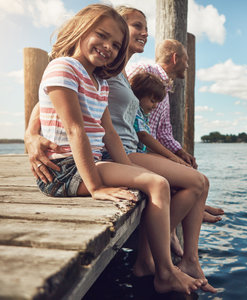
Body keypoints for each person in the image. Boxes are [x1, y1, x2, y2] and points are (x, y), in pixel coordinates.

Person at [25, 5, 217, 293]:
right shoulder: (63, 67)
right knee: (156, 183)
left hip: (90, 162)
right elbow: (75, 129)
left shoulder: (100, 81)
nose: (108, 47)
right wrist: (95, 187)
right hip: (64, 171)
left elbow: (110, 133)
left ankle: (163, 269)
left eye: (115, 44)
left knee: (157, 183)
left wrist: (131, 170)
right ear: (81, 29)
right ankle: (163, 270)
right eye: (102, 36)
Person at [127, 39, 225, 223]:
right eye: (186, 60)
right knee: (189, 177)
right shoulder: (143, 70)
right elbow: (134, 120)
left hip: (146, 150)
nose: (187, 66)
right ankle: (176, 226)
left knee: (192, 173)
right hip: (133, 149)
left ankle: (195, 207)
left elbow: (164, 130)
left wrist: (180, 152)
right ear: (175, 58)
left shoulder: (164, 86)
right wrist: (173, 158)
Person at [130, 71, 189, 166]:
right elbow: (143, 136)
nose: (155, 106)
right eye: (153, 101)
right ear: (138, 94)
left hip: (140, 153)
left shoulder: (144, 115)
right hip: (133, 154)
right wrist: (171, 156)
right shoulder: (134, 111)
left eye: (157, 102)